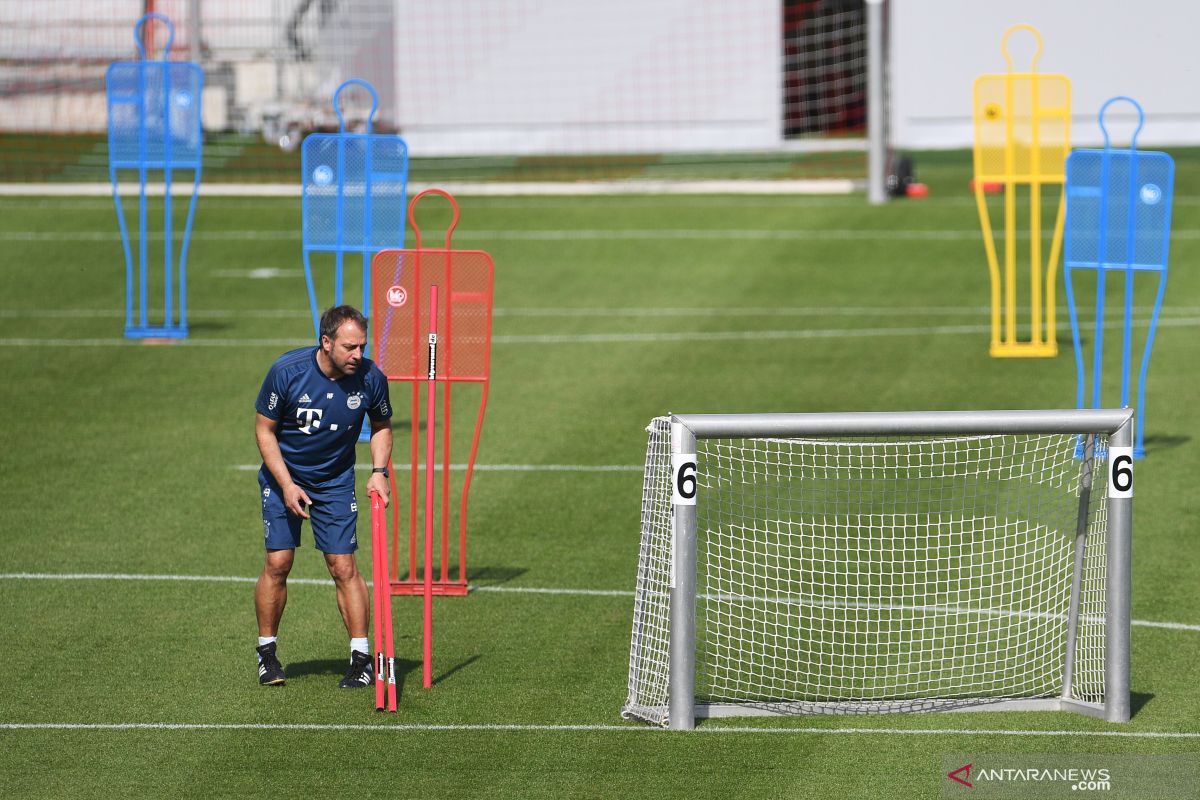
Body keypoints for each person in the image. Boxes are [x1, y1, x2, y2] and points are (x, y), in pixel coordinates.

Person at [252, 305, 393, 689]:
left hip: (334, 481)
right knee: (278, 562)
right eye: (350, 347)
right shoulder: (287, 372)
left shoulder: (370, 378)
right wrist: (286, 484)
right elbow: (264, 431)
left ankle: (362, 658)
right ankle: (267, 654)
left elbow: (381, 427)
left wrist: (379, 473)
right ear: (326, 342)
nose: (358, 355)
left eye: (362, 346)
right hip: (285, 475)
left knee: (343, 566)